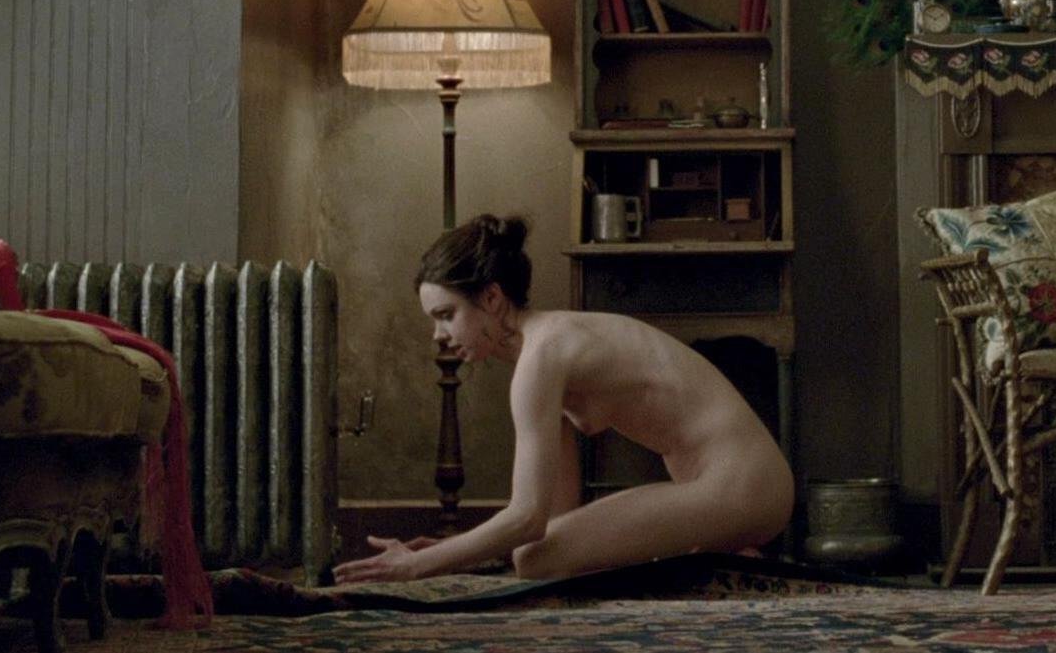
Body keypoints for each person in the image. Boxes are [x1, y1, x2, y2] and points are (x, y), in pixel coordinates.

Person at [333, 215, 793, 583]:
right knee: (538, 553)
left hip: (744, 485)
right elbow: (553, 516)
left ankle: (719, 553)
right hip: (732, 488)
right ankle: (724, 558)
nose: (438, 335)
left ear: (491, 298)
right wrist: (455, 550)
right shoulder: (542, 354)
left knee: (532, 559)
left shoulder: (543, 356)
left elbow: (527, 521)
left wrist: (420, 565)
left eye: (446, 315)